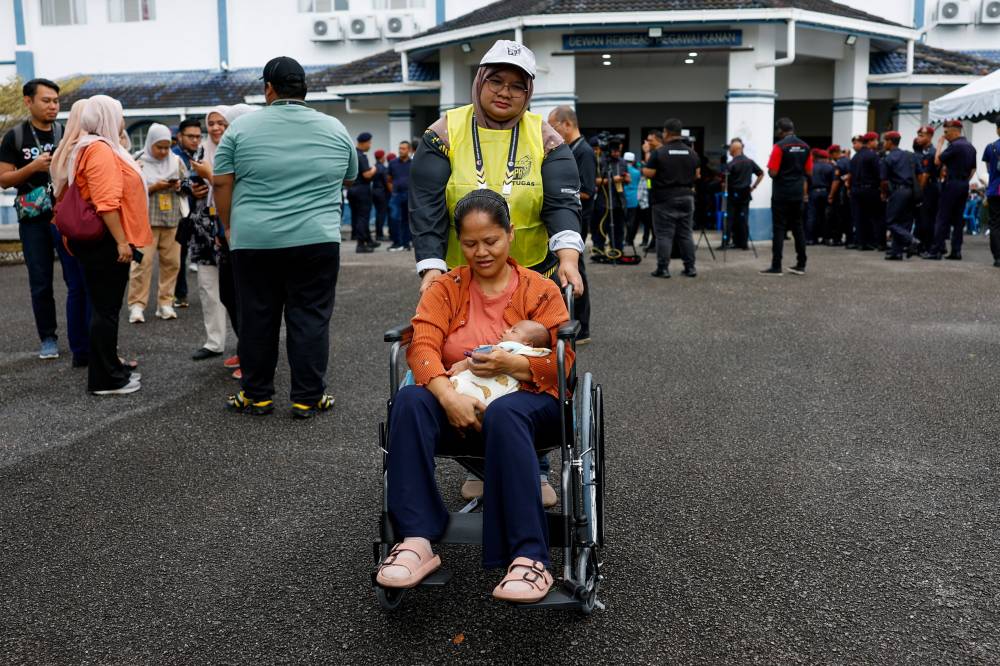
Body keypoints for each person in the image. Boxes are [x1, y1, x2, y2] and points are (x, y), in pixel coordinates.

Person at [408, 40, 584, 507]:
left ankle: (532, 465)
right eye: (496, 81)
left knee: (523, 369)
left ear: (529, 93)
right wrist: (431, 268)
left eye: (517, 86)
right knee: (451, 361)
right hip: (461, 281)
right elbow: (426, 206)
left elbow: (562, 203)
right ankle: (481, 463)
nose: (505, 93)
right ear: (479, 81)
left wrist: (569, 257)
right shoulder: (443, 133)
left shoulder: (546, 138)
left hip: (530, 279)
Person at [375, 189, 572, 603]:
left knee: (506, 413)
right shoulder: (446, 288)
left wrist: (510, 363)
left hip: (529, 404)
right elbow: (422, 346)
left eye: (491, 241)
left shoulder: (541, 290)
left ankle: (529, 557)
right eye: (469, 244)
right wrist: (448, 397)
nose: (481, 252)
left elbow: (562, 362)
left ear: (510, 234)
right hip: (458, 400)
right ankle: (415, 541)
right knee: (409, 401)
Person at [214, 56, 356, 418]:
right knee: (310, 318)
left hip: (255, 240)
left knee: (256, 317)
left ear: (268, 89)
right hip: (316, 239)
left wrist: (228, 226)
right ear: (304, 89)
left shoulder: (240, 129)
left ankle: (257, 395)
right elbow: (350, 176)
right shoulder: (334, 128)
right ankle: (308, 397)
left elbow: (221, 182)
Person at [50, 95, 152, 395]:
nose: (122, 120)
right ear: (108, 117)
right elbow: (106, 203)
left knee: (103, 308)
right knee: (105, 310)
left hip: (99, 240)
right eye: (119, 114)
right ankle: (105, 379)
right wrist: (122, 242)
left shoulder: (90, 146)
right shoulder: (100, 150)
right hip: (105, 239)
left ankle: (109, 370)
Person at [0, 77, 91, 364]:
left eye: (56, 101)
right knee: (40, 281)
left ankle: (82, 339)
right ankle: (48, 337)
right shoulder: (15, 137)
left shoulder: (66, 132)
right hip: (33, 220)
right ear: (28, 102)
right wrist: (33, 167)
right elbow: (4, 179)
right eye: (46, 101)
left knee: (75, 279)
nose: (53, 106)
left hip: (65, 217)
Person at [126, 123, 186, 323]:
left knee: (172, 263)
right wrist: (153, 187)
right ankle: (136, 305)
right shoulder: (137, 161)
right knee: (141, 264)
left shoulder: (176, 161)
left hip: (172, 220)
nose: (163, 152)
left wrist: (179, 185)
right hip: (145, 222)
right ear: (150, 143)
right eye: (159, 147)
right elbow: (130, 190)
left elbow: (188, 184)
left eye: (167, 147)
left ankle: (165, 303)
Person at [545, 105, 593, 343]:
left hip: (577, 218)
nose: (551, 132)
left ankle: (582, 327)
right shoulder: (568, 148)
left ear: (567, 124)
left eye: (553, 126)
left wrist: (557, 191)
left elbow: (587, 190)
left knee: (575, 270)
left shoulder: (583, 151)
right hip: (569, 216)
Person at [447, 319, 551, 407]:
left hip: (479, 388)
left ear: (528, 344)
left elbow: (485, 352)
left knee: (459, 385)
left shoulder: (511, 346)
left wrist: (470, 357)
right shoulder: (538, 354)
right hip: (498, 398)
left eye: (513, 331)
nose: (506, 330)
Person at [642, 117, 699, 279]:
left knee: (664, 234)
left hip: (664, 198)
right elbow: (697, 175)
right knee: (685, 234)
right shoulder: (692, 152)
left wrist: (645, 167)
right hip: (687, 197)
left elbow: (649, 173)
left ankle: (663, 269)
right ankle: (690, 268)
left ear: (666, 133)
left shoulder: (660, 152)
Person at [762, 117, 812, 275]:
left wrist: (772, 170)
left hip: (781, 193)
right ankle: (801, 264)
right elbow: (809, 172)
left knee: (779, 229)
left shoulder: (779, 147)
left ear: (780, 130)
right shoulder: (805, 146)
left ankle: (776, 266)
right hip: (797, 193)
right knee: (798, 227)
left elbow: (773, 172)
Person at [924, 119, 977, 261]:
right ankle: (956, 251)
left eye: (946, 132)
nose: (945, 135)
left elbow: (937, 161)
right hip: (963, 184)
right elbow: (973, 169)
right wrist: (964, 180)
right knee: (958, 219)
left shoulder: (955, 146)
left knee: (942, 217)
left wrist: (939, 145)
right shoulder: (971, 147)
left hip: (952, 184)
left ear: (954, 131)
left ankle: (936, 251)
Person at [880, 131, 921, 260]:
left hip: (898, 191)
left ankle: (911, 240)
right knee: (904, 222)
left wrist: (884, 193)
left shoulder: (888, 158)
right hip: (910, 191)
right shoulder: (909, 155)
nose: (883, 144)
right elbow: (920, 174)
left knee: (890, 221)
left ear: (890, 142)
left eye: (885, 141)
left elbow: (884, 181)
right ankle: (896, 252)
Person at [720, 138, 764, 251]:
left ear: (734, 150)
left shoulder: (730, 164)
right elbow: (761, 173)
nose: (729, 150)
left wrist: (724, 190)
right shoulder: (750, 161)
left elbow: (724, 182)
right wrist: (753, 187)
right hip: (745, 194)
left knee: (729, 219)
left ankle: (725, 243)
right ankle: (743, 243)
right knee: (743, 219)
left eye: (730, 148)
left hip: (732, 195)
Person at [592, 140, 630, 256]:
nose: (617, 153)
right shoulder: (601, 161)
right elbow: (596, 181)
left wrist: (626, 179)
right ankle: (599, 250)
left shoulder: (623, 162)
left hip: (619, 201)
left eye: (618, 151)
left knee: (619, 228)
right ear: (609, 151)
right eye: (614, 151)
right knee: (601, 227)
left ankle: (618, 251)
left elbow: (627, 179)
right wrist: (613, 179)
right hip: (604, 202)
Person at [850, 132, 883, 252]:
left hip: (856, 189)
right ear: (870, 142)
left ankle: (862, 242)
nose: (877, 143)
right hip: (870, 190)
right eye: (876, 140)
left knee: (859, 217)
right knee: (875, 217)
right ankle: (876, 242)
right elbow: (879, 174)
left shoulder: (855, 157)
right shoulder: (872, 156)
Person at [347, 131, 378, 253]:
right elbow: (367, 175)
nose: (370, 145)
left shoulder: (353, 154)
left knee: (357, 216)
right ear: (364, 142)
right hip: (362, 190)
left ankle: (368, 240)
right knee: (363, 217)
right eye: (369, 143)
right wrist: (374, 169)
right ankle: (360, 244)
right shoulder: (362, 156)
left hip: (351, 189)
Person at [914, 125, 940, 254]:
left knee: (927, 219)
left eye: (921, 136)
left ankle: (928, 247)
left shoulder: (932, 153)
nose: (918, 138)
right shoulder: (921, 152)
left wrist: (918, 192)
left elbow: (925, 175)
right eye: (918, 135)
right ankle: (921, 245)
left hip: (929, 188)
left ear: (930, 137)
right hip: (925, 187)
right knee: (921, 219)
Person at [386, 141, 412, 251]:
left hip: (409, 195)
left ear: (409, 150)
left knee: (407, 220)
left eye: (403, 148)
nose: (401, 150)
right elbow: (389, 179)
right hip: (396, 195)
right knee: (394, 218)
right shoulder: (393, 163)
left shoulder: (414, 163)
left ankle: (406, 244)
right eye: (400, 148)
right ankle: (396, 242)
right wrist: (393, 191)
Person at [980, 121, 1000, 267]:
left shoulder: (990, 147)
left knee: (995, 224)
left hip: (995, 190)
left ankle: (998, 257)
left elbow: (989, 169)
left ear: (998, 129)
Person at [807, 149, 835, 245]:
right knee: (826, 216)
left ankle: (811, 239)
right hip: (825, 192)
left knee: (812, 216)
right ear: (826, 157)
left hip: (813, 192)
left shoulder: (811, 167)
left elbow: (806, 181)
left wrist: (805, 194)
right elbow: (833, 181)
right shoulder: (830, 167)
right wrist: (831, 195)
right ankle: (826, 238)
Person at [826, 144, 850, 246]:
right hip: (848, 192)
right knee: (847, 216)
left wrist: (831, 195)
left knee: (838, 216)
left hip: (840, 193)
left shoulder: (839, 164)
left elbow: (836, 181)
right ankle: (849, 239)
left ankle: (837, 239)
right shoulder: (848, 161)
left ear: (834, 153)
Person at [622, 151, 640, 246]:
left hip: (623, 197)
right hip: (634, 198)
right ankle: (629, 240)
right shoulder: (637, 172)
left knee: (621, 220)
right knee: (632, 221)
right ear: (633, 161)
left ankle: (621, 239)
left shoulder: (622, 171)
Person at [372, 149, 389, 242]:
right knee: (381, 214)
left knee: (378, 213)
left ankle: (378, 233)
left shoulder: (374, 167)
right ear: (382, 157)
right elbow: (386, 182)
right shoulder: (383, 168)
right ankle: (379, 235)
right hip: (382, 193)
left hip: (374, 191)